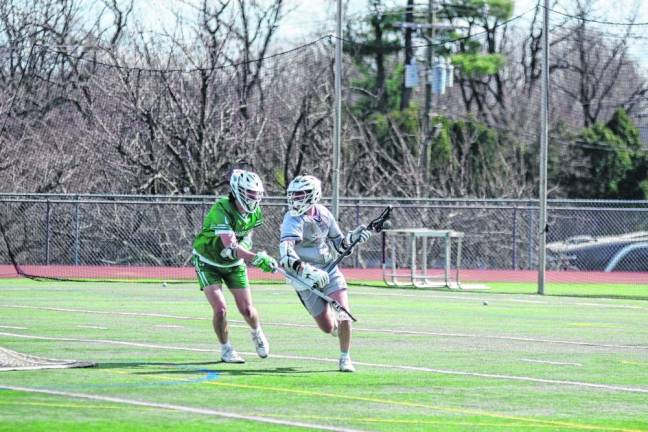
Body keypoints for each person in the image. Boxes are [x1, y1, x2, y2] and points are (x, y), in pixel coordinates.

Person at [279, 175, 371, 372]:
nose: (295, 199)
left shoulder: (325, 214)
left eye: (300, 195)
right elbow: (286, 254)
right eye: (293, 195)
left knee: (343, 313)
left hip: (329, 270)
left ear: (313, 195)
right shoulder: (291, 219)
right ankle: (332, 324)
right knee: (327, 327)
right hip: (303, 276)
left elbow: (340, 245)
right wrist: (306, 270)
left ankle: (345, 357)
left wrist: (354, 238)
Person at [192, 169, 277, 364]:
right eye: (250, 193)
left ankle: (256, 332)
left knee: (247, 310)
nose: (254, 197)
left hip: (233, 263)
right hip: (208, 261)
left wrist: (251, 252)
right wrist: (255, 258)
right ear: (237, 191)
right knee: (220, 308)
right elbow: (230, 243)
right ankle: (226, 349)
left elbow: (246, 237)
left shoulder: (255, 212)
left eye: (257, 193)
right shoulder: (221, 208)